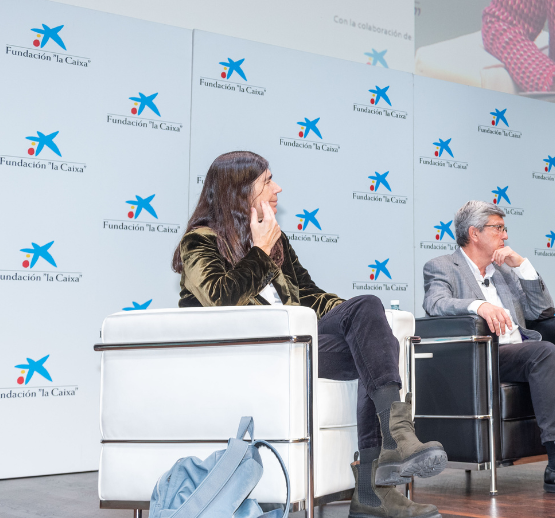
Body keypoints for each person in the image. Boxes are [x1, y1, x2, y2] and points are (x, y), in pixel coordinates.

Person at [173, 151, 446, 518]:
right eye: (268, 181)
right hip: (258, 353)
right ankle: (384, 466)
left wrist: (366, 318)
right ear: (239, 191)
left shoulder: (275, 239)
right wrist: (259, 251)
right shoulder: (200, 242)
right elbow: (221, 300)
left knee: (370, 330)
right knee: (370, 331)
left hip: (298, 346)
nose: (278, 188)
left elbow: (310, 296)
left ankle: (374, 486)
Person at [422, 200, 555, 495]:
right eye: (498, 228)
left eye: (505, 229)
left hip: (524, 352)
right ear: (474, 233)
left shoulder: (504, 271)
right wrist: (478, 305)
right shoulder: (443, 266)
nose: (505, 236)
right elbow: (435, 304)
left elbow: (542, 311)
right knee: (543, 352)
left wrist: (522, 266)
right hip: (485, 355)